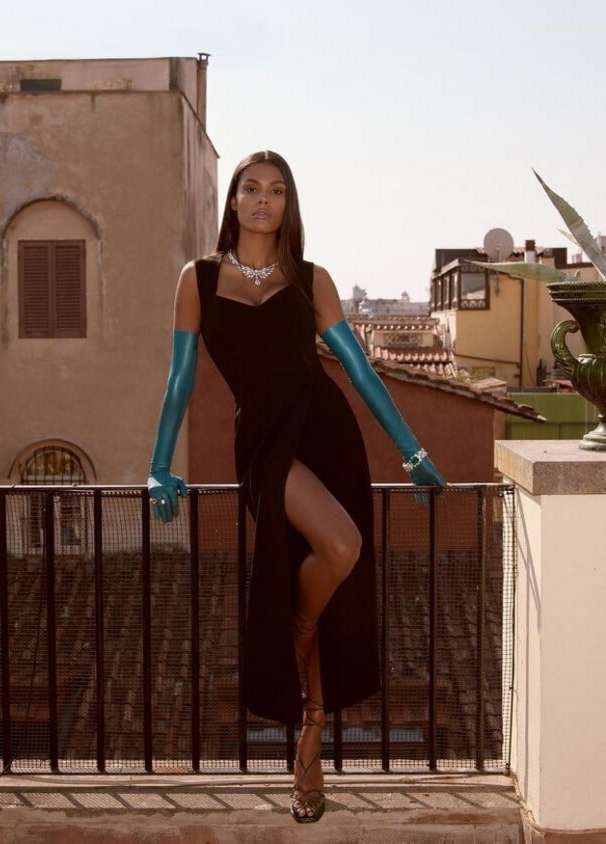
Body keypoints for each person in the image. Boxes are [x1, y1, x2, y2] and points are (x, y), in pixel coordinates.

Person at [147, 150, 446, 823]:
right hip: (263, 444)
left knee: (337, 555)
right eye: (251, 188)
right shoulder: (197, 278)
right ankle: (297, 635)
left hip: (324, 431)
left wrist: (413, 451)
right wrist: (159, 464)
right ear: (232, 201)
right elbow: (179, 378)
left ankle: (311, 720)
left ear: (289, 204)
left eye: (277, 190)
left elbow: (359, 370)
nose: (263, 200)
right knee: (340, 546)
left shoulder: (311, 279)